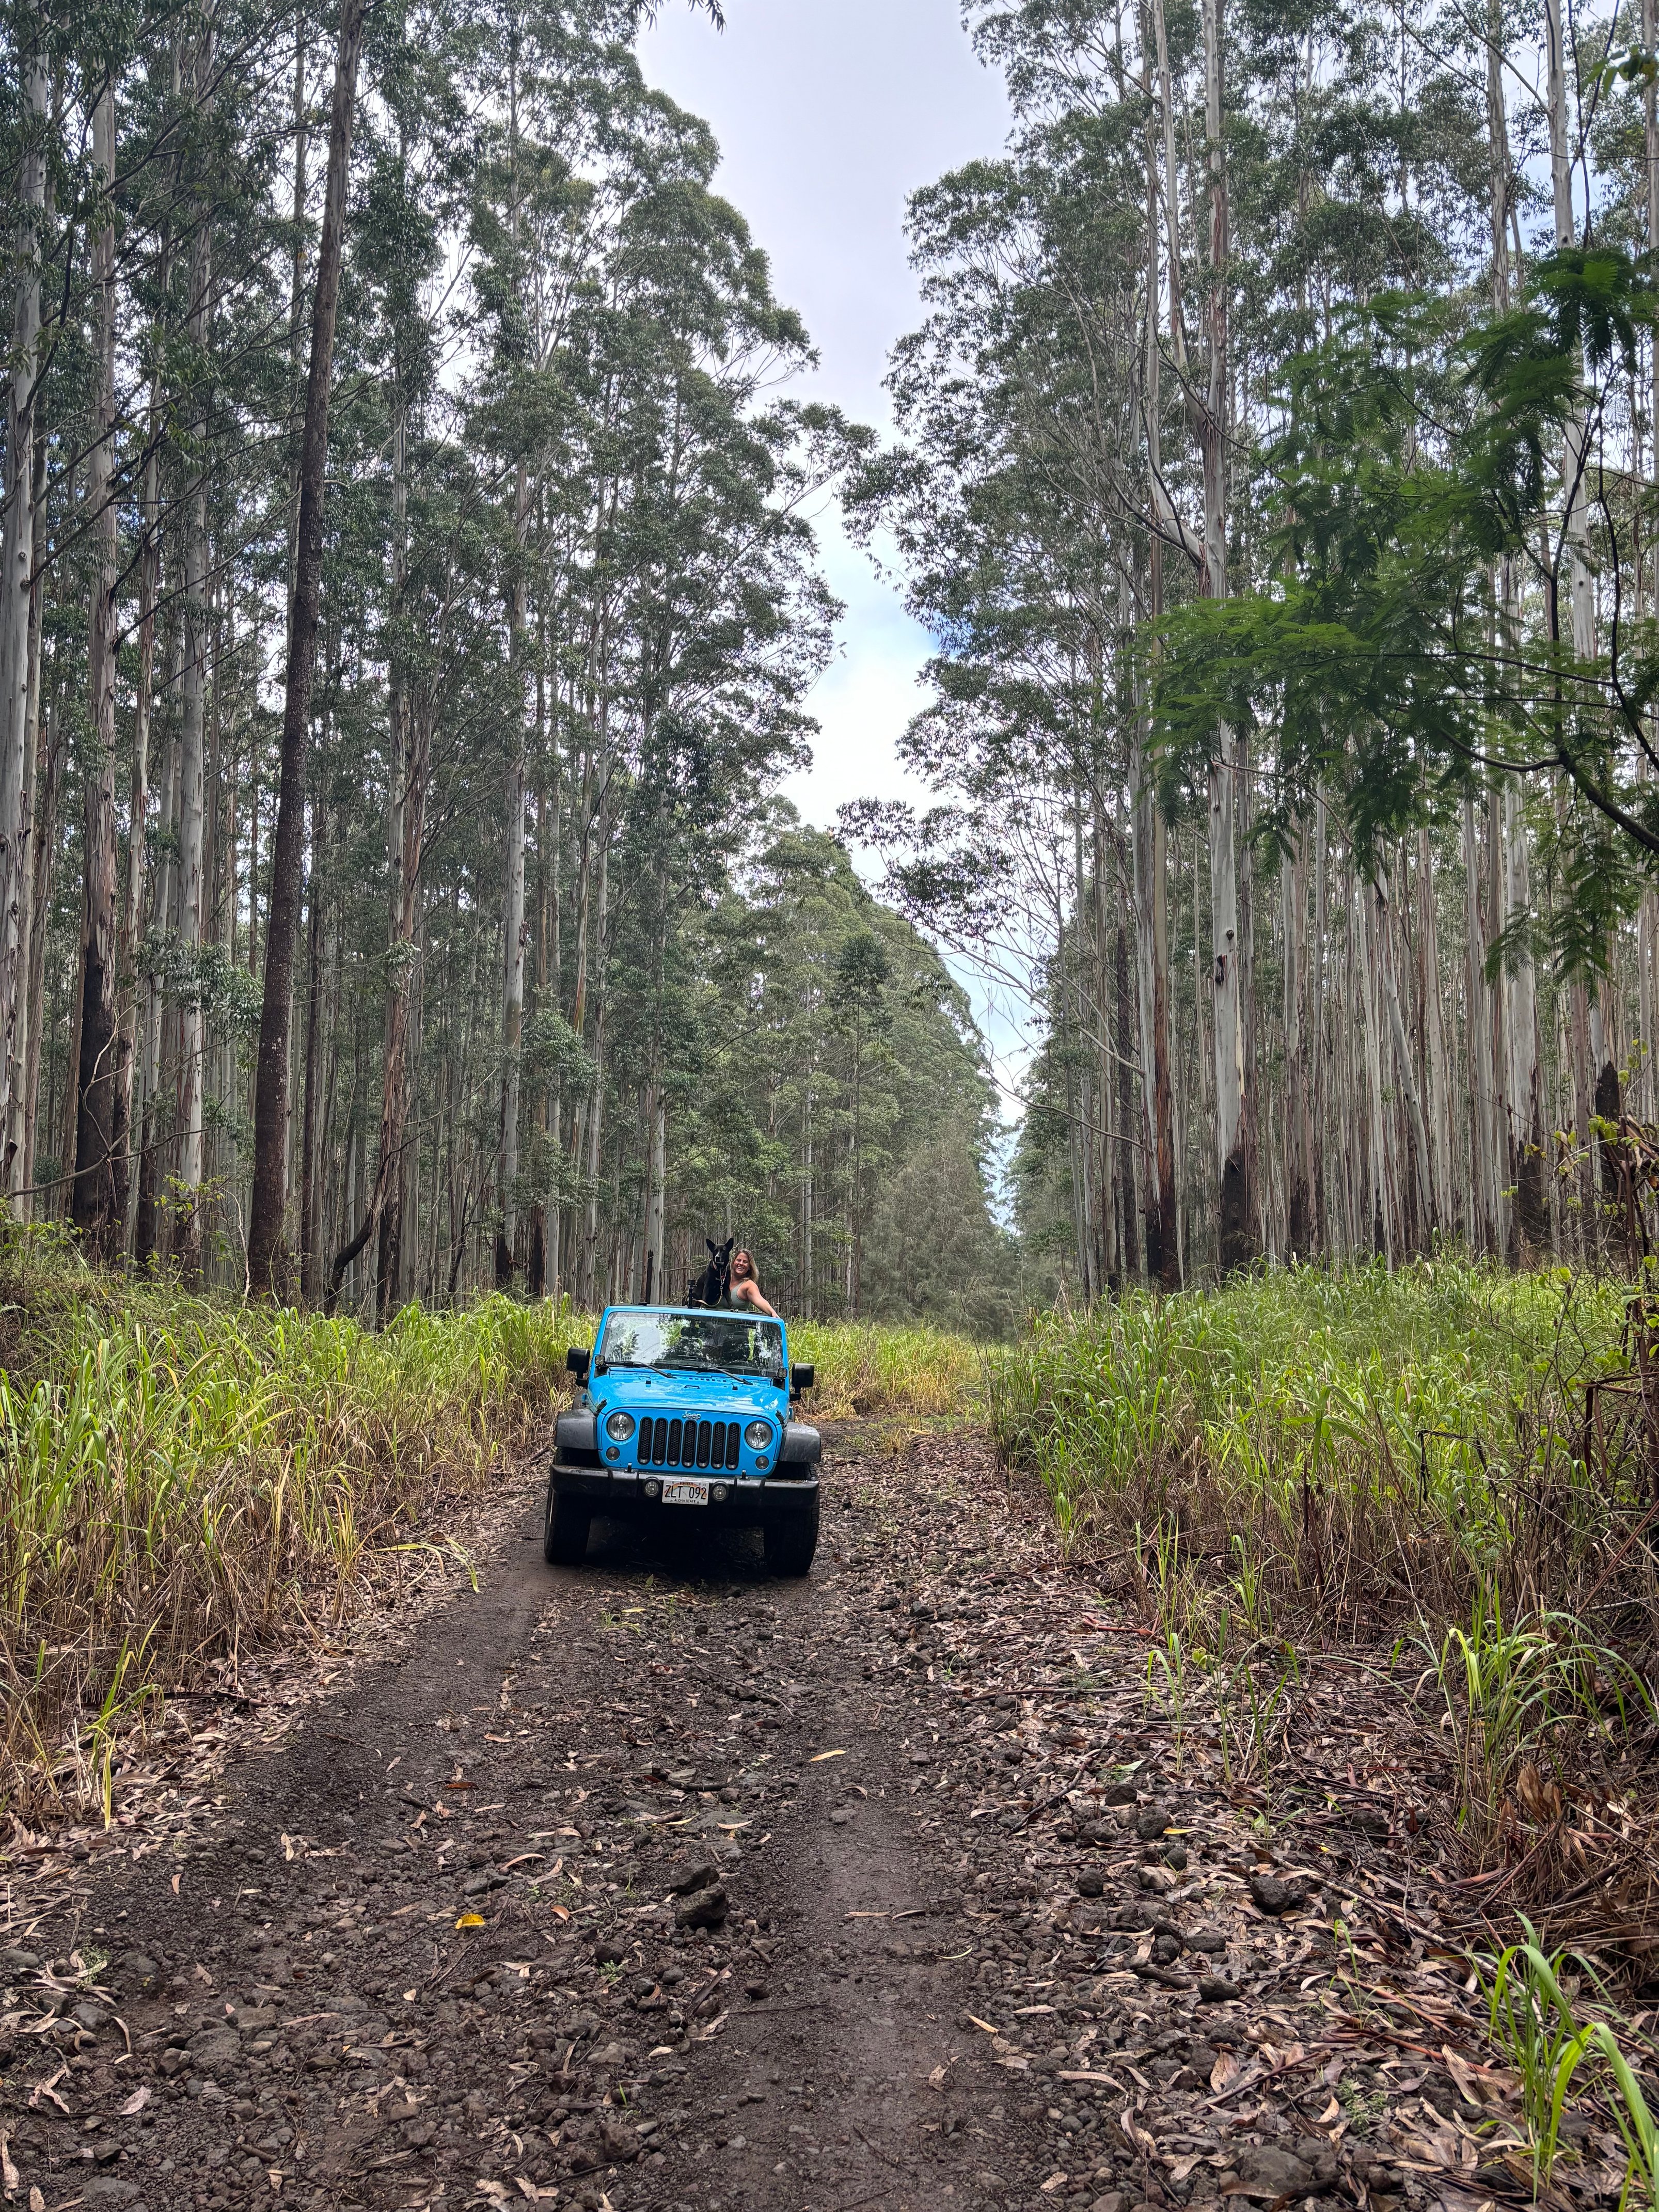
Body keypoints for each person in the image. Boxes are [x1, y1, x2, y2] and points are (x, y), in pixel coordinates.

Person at [728, 1249, 778, 1316]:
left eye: (745, 1262)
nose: (741, 1264)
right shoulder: (722, 1279)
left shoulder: (748, 1285)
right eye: (739, 1260)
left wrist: (772, 1313)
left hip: (736, 1325)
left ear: (749, 1267)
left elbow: (760, 1300)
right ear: (733, 1262)